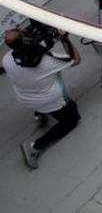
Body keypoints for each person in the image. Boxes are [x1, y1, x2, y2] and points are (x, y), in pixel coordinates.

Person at [3, 26, 81, 169]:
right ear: (25, 40)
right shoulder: (46, 62)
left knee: (36, 89)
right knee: (72, 119)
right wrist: (64, 39)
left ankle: (39, 115)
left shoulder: (7, 59)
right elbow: (75, 60)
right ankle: (35, 147)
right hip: (51, 102)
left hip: (26, 98)